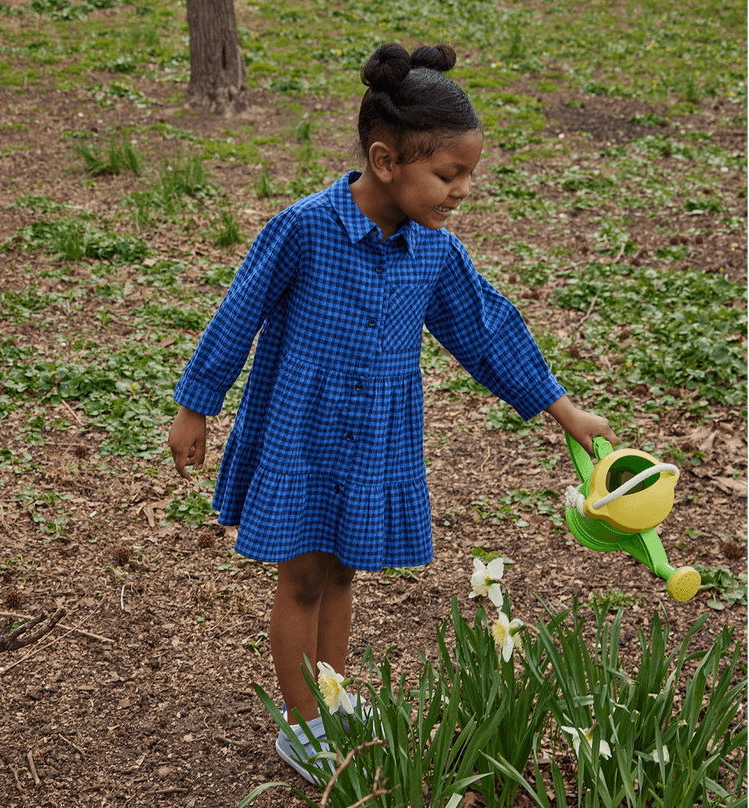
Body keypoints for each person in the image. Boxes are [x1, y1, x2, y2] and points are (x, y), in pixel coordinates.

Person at [168, 42, 619, 783]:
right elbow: (236, 313)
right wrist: (195, 406)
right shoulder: (305, 228)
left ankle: (334, 698)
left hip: (375, 438)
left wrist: (566, 413)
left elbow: (487, 332)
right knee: (303, 577)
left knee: (344, 572)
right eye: (449, 174)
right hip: (301, 432)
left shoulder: (434, 253)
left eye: (468, 174)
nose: (462, 191)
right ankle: (302, 725)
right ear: (386, 161)